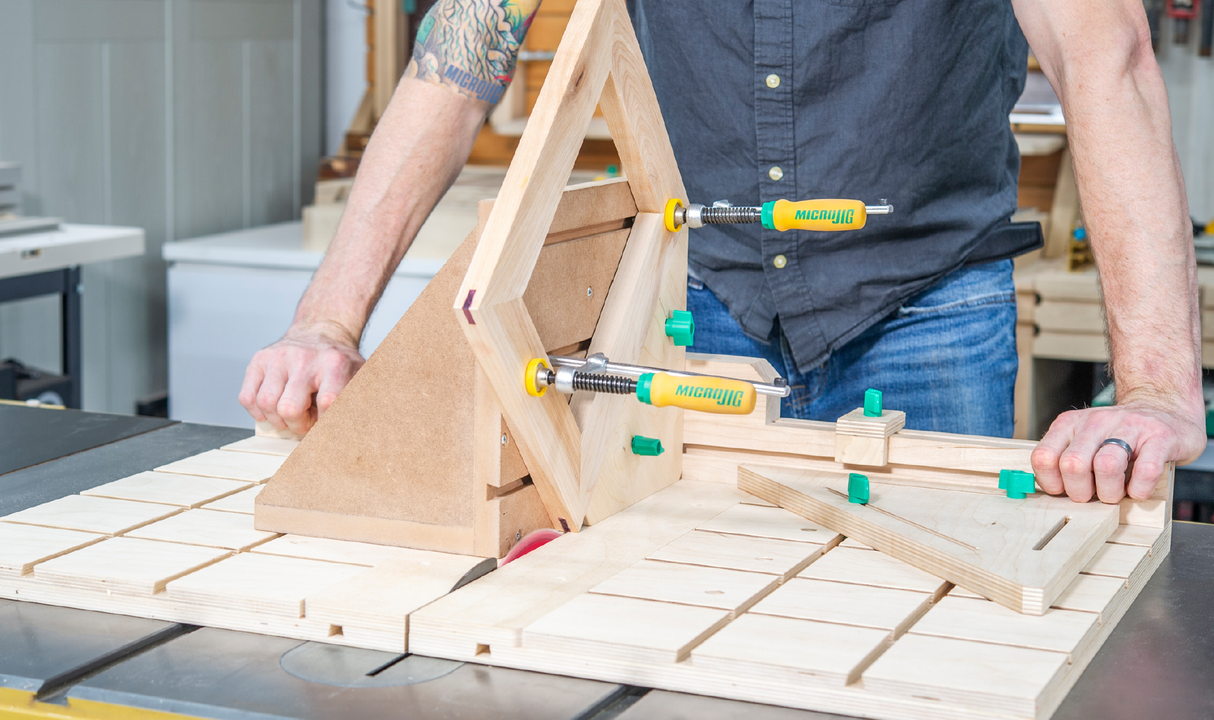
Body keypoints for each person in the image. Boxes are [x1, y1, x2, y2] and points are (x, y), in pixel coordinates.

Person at [240, 0, 1206, 506]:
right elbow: (462, 52)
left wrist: (1156, 388)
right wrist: (327, 320)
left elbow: (1104, 54)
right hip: (696, 306)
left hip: (926, 310)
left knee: (930, 645)